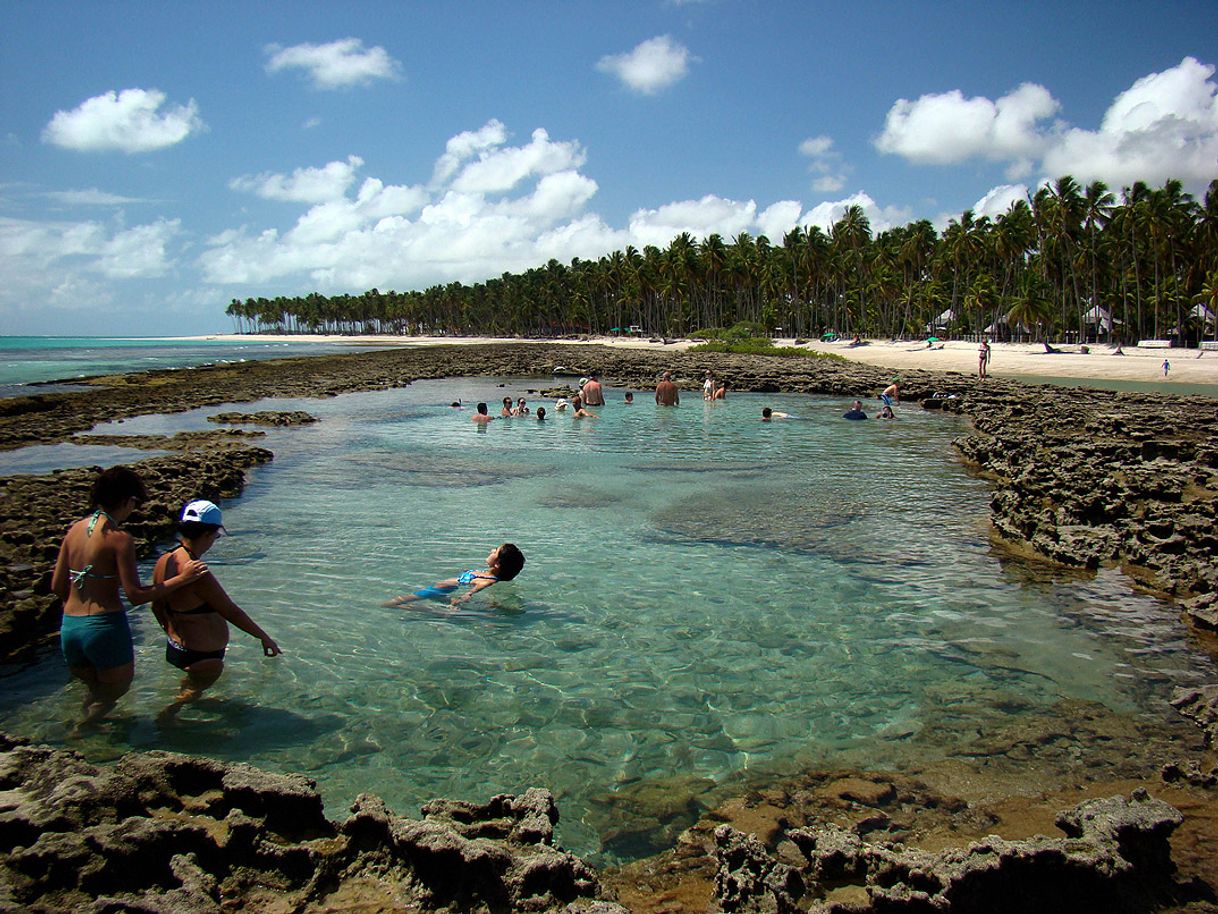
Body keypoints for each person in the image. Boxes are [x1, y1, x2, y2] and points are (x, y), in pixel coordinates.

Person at [52, 466, 208, 730]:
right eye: (135, 502)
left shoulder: (73, 531)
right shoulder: (120, 539)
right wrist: (182, 579)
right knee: (116, 689)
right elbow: (135, 595)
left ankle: (87, 734)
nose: (134, 509)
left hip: (70, 627)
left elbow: (57, 586)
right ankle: (83, 729)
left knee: (96, 690)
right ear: (126, 500)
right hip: (103, 627)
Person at [152, 500, 281, 723]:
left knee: (191, 686)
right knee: (190, 695)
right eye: (216, 536)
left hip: (178, 645)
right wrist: (264, 638)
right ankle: (167, 717)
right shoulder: (197, 573)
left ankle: (171, 713)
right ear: (208, 534)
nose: (214, 541)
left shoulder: (164, 560)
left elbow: (156, 605)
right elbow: (231, 612)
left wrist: (173, 632)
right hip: (203, 653)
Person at [384, 543, 526, 608]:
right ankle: (404, 607)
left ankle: (384, 605)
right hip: (441, 590)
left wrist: (459, 601)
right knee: (407, 604)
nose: (491, 550)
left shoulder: (488, 581)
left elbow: (471, 593)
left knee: (401, 602)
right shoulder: (486, 573)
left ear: (498, 565)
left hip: (439, 590)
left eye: (495, 552)